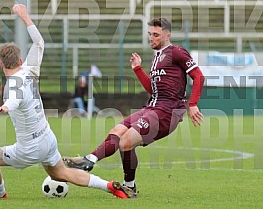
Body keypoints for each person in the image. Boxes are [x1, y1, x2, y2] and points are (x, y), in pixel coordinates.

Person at [0, 4, 136, 199]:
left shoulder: (13, 85)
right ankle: (109, 186)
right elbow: (39, 42)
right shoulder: (29, 70)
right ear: (20, 60)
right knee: (61, 173)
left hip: (29, 148)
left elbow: (15, 99)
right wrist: (25, 16)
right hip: (47, 138)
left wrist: (5, 106)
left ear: (0, 64)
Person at [63, 17, 205, 192]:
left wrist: (193, 104)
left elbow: (199, 76)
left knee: (126, 142)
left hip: (167, 112)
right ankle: (90, 160)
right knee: (116, 132)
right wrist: (138, 69)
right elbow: (153, 90)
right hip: (152, 107)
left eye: (156, 35)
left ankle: (127, 185)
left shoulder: (177, 52)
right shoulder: (156, 58)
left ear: (168, 35)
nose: (151, 38)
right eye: (149, 34)